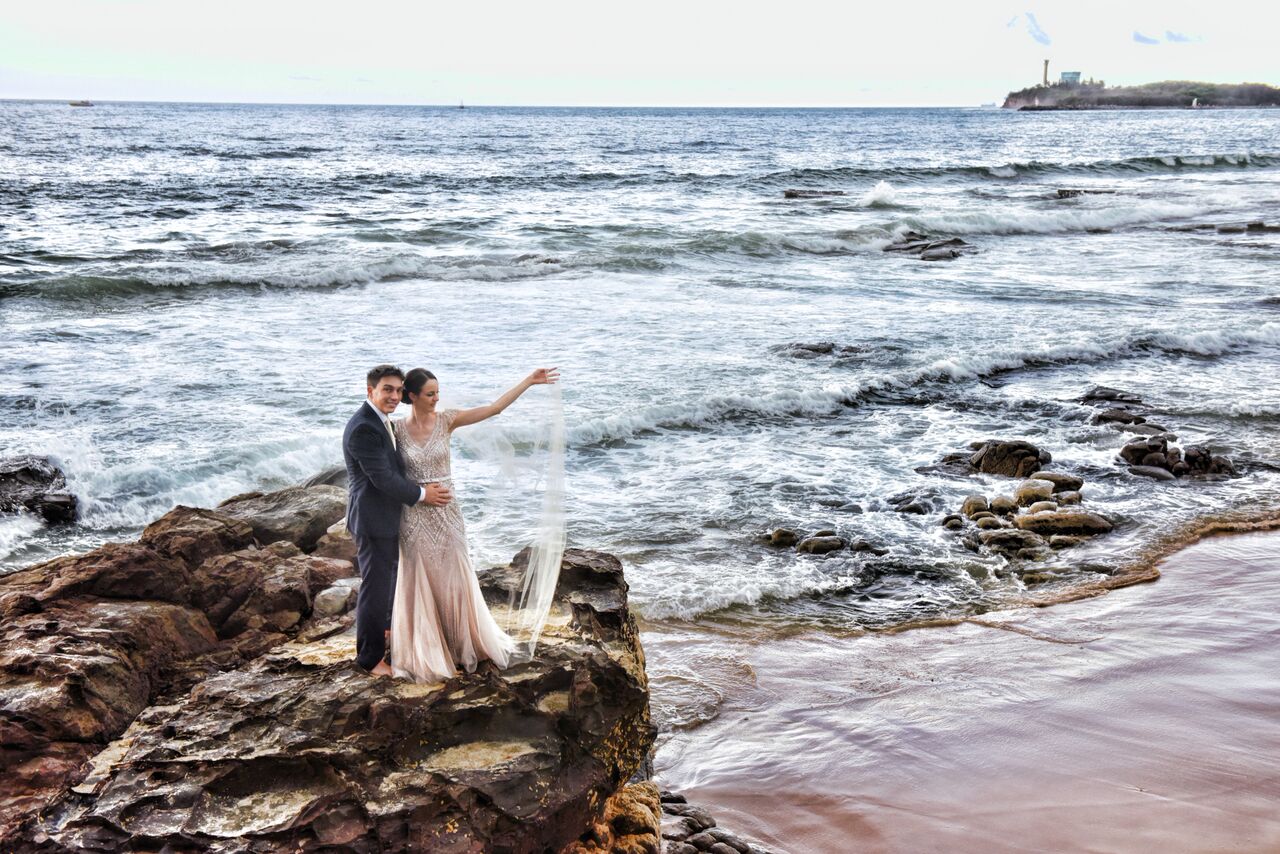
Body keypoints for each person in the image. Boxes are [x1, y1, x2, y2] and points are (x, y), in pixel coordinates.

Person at [390, 365, 559, 683]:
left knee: (455, 575)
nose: (436, 399)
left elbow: (495, 409)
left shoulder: (446, 420)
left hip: (448, 514)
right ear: (411, 396)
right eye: (430, 394)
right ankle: (429, 650)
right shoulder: (395, 430)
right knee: (420, 580)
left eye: (438, 392)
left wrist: (528, 381)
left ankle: (460, 645)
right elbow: (384, 475)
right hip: (414, 515)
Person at [342, 365, 452, 676]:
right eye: (387, 389)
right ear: (370, 391)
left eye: (398, 390)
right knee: (374, 588)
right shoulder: (364, 427)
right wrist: (422, 495)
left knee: (386, 582)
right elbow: (383, 479)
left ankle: (385, 631)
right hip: (373, 519)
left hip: (385, 518)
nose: (394, 396)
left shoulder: (381, 421)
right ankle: (370, 659)